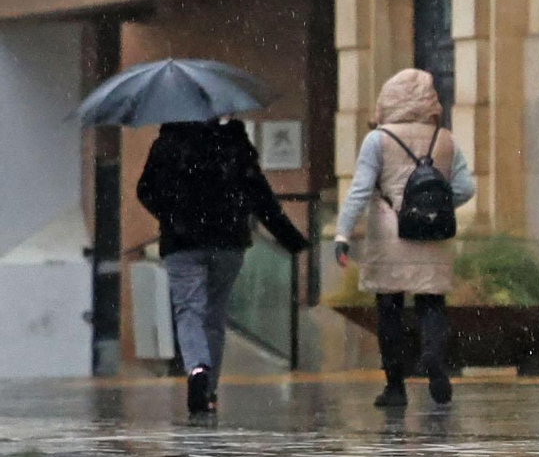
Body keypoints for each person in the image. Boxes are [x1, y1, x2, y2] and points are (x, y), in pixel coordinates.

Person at [136, 118, 307, 415]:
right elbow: (260, 195)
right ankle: (209, 391)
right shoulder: (234, 143)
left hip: (182, 243)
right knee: (214, 314)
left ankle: (197, 369)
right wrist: (290, 238)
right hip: (228, 242)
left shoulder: (168, 143)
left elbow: (145, 190)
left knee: (189, 311)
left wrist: (172, 216)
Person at [334, 69, 475, 407]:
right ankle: (433, 356)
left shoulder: (378, 139)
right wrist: (436, 207)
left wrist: (342, 233)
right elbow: (466, 188)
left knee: (389, 308)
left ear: (389, 99)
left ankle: (395, 387)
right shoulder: (445, 138)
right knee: (432, 303)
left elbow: (360, 190)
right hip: (433, 231)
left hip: (390, 231)